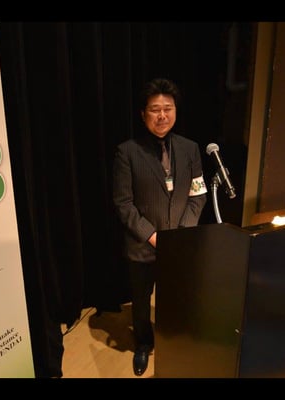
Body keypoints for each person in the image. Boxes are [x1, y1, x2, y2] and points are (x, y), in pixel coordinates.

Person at [112, 78, 208, 376]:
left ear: (176, 111)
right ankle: (143, 342)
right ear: (144, 114)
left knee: (177, 297)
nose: (162, 115)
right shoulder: (127, 152)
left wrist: (180, 234)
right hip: (143, 245)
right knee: (141, 301)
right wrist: (153, 237)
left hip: (179, 242)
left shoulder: (190, 148)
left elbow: (198, 194)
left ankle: (174, 340)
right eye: (155, 109)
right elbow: (123, 204)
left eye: (168, 108)